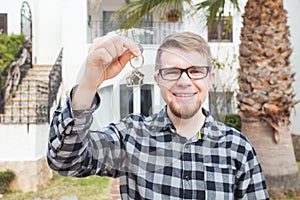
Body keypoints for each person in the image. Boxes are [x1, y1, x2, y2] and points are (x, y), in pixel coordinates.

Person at [47, 32, 269, 199]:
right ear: (158, 79)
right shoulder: (131, 137)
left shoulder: (238, 148)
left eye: (195, 71)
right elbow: (65, 160)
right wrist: (88, 83)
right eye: (172, 71)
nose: (184, 81)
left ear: (210, 77)